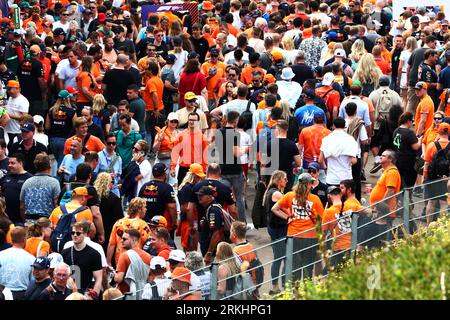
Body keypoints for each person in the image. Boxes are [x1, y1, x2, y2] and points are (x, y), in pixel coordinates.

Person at [271, 173, 324, 280]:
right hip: (310, 237)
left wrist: (287, 218)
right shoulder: (315, 199)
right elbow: (320, 220)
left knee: (295, 267)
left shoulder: (290, 195)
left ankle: (296, 293)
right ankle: (306, 292)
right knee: (308, 268)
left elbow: (274, 208)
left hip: (293, 236)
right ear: (308, 185)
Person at [322, 181, 365, 270]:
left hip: (339, 247)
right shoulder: (350, 205)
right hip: (352, 244)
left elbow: (323, 233)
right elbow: (367, 211)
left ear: (329, 196)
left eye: (342, 188)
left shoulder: (330, 211)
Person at [107, 197, 151, 268]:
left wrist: (108, 262)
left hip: (119, 261)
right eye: (144, 207)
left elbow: (111, 244)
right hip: (136, 261)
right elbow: (148, 245)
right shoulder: (143, 225)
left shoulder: (119, 223)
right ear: (139, 209)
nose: (146, 209)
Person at [61, 221, 102, 296]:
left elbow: (98, 279)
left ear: (85, 234)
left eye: (78, 233)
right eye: (73, 233)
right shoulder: (65, 253)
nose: (75, 235)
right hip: (67, 294)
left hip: (85, 293)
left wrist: (93, 296)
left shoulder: (94, 254)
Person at [369, 150, 401, 236]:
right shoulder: (386, 171)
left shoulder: (392, 172)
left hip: (384, 212)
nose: (380, 157)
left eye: (383, 156)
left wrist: (380, 206)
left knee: (384, 236)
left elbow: (390, 191)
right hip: (380, 211)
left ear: (390, 159)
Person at [171, 112, 209, 185]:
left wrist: (203, 172)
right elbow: (175, 153)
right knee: (181, 191)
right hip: (184, 169)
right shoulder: (181, 135)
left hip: (196, 170)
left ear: (198, 122)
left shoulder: (202, 138)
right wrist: (173, 168)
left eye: (194, 120)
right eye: (190, 120)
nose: (191, 122)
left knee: (195, 194)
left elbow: (205, 157)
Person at [319, 117, 358, 187]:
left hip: (331, 178)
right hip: (346, 177)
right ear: (345, 126)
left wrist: (326, 168)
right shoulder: (350, 140)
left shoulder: (326, 139)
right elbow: (353, 160)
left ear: (333, 126)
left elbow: (320, 160)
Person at [423, 123, 449, 225]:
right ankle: (441, 227)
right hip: (446, 179)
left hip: (433, 178)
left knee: (432, 202)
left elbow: (426, 163)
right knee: (443, 203)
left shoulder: (431, 145)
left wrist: (425, 177)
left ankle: (429, 225)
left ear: (439, 131)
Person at [114, 228, 151, 299]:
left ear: (134, 240)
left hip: (127, 294)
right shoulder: (148, 256)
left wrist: (113, 274)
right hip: (143, 294)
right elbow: (150, 279)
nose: (121, 241)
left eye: (124, 239)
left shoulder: (124, 256)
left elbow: (118, 279)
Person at [138, 163, 177, 230]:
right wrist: (174, 222)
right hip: (161, 225)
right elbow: (172, 206)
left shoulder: (144, 186)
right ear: (164, 174)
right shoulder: (168, 188)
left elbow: (138, 205)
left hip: (145, 224)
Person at [0, 227, 35, 300]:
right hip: (20, 295)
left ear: (11, 238)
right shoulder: (31, 259)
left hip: (2, 293)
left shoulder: (1, 255)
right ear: (24, 239)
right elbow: (33, 282)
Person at [93, 172, 123, 252]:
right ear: (108, 183)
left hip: (93, 231)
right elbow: (119, 219)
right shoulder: (114, 198)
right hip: (109, 232)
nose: (112, 184)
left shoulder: (92, 197)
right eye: (112, 182)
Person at [196, 186, 226, 263]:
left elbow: (216, 234)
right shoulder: (209, 208)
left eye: (201, 195)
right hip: (210, 252)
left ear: (209, 197)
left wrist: (209, 253)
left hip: (213, 254)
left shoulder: (213, 210)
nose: (199, 197)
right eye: (199, 195)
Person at [0, 154, 33, 224]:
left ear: (20, 163)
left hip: (22, 219)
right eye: (9, 163)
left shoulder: (29, 178)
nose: (9, 165)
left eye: (12, 163)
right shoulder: (6, 177)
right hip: (6, 219)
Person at [392, 112, 421, 189]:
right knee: (409, 182)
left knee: (400, 180)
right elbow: (415, 147)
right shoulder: (409, 132)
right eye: (412, 120)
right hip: (408, 161)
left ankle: (400, 198)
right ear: (408, 120)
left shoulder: (396, 130)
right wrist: (419, 141)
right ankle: (406, 198)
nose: (413, 123)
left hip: (398, 158)